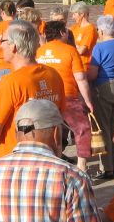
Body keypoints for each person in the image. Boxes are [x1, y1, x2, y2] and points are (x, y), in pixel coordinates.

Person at [0, 20, 65, 157]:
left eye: (2, 41)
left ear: (14, 46)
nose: (0, 46)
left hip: (17, 158)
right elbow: (60, 116)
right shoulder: (53, 75)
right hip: (48, 155)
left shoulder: (11, 81)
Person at [37, 20, 95, 172]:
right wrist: (88, 101)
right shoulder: (70, 50)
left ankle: (49, 164)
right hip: (67, 96)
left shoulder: (40, 51)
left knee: (48, 131)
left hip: (44, 97)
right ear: (62, 33)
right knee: (82, 129)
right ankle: (81, 166)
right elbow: (80, 78)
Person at [88, 15, 114, 180]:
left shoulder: (99, 47)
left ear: (102, 31)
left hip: (104, 86)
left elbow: (92, 74)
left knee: (103, 128)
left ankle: (107, 168)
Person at [69, 2, 97, 71]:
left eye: (74, 14)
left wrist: (72, 46)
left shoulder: (90, 29)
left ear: (82, 14)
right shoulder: (74, 28)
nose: (72, 17)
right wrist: (76, 46)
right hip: (73, 64)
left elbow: (81, 51)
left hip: (84, 66)